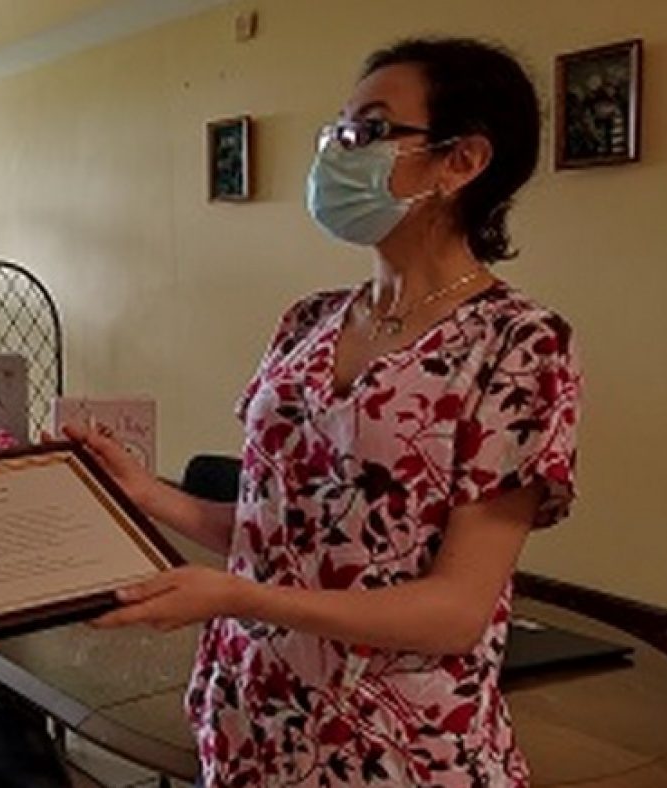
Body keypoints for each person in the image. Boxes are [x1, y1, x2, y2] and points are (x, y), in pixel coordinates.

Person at [70, 38, 579, 786]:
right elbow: (282, 537)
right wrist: (146, 493)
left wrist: (242, 596)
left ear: (462, 161)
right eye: (337, 131)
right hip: (255, 721)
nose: (340, 152)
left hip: (395, 747)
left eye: (369, 131)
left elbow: (456, 611)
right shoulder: (307, 323)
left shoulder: (518, 344)